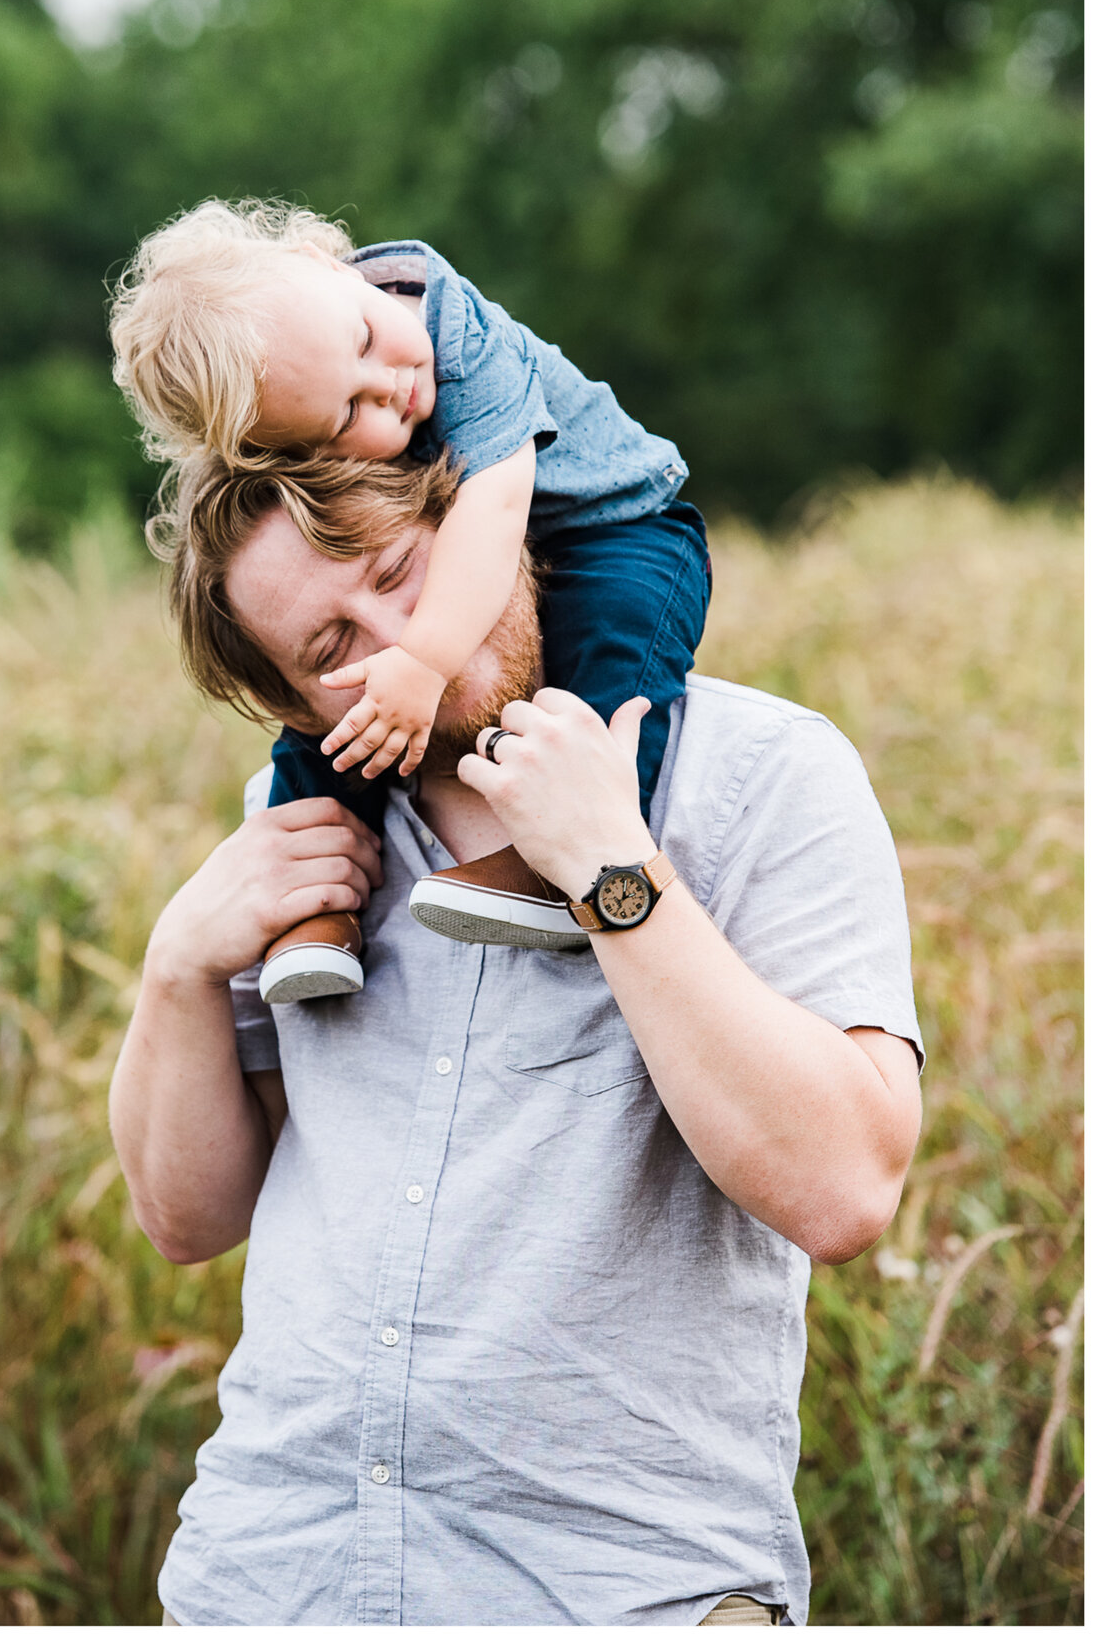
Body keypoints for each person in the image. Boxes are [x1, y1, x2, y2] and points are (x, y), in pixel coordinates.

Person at [110, 450, 923, 1627]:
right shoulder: (299, 838)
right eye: (331, 651)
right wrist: (177, 963)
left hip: (617, 1591)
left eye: (400, 571)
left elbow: (846, 1185)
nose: (395, 644)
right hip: (271, 1578)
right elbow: (186, 1218)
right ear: (293, 706)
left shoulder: (761, 775)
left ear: (485, 520)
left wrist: (608, 865)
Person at [109, 199, 705, 1006]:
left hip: (619, 523)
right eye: (348, 413)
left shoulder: (455, 335)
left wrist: (424, 662)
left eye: (363, 339)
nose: (390, 385)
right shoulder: (311, 355)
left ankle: (568, 853)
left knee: (615, 658)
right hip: (496, 525)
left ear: (330, 264)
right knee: (345, 714)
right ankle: (309, 905)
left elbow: (493, 513)